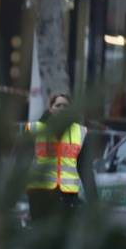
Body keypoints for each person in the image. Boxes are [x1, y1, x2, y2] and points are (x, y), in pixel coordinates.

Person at [25, 93, 96, 222]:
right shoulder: (35, 129)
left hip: (67, 196)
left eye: (65, 106)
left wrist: (94, 201)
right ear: (50, 109)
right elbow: (22, 163)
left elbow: (85, 170)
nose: (62, 109)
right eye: (58, 105)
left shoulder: (79, 132)